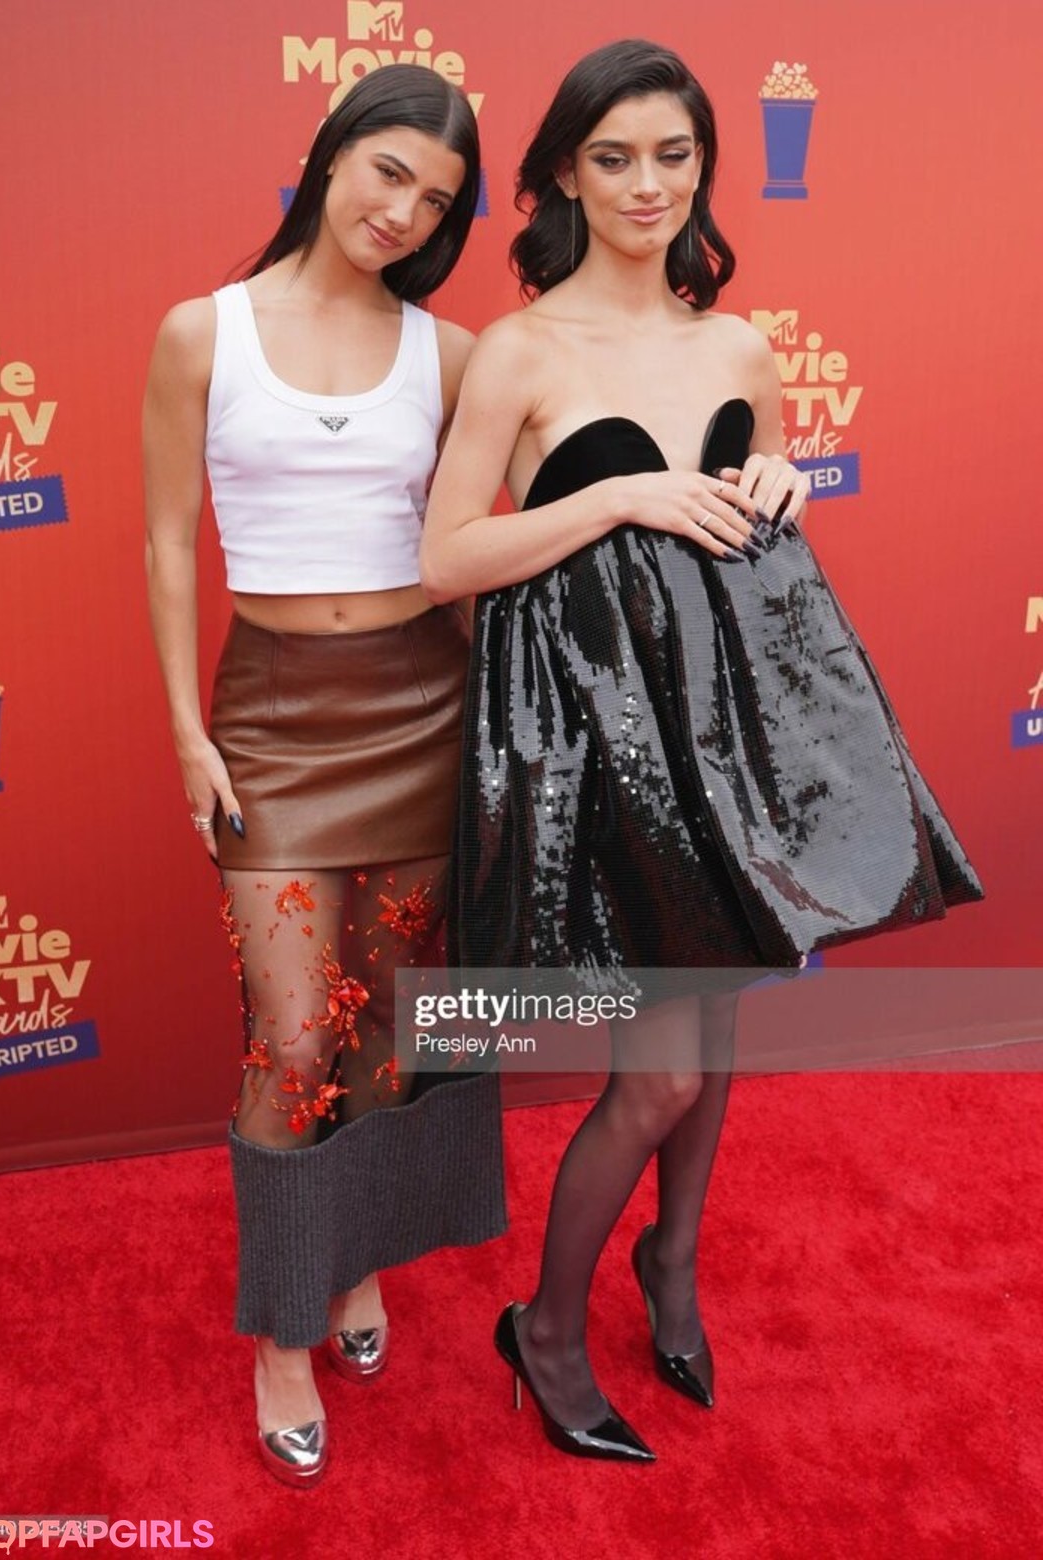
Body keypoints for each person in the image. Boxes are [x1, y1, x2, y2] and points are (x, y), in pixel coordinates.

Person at [420, 39, 982, 1463]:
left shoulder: (736, 346)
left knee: (716, 1029)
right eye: (613, 157)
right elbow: (449, 558)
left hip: (733, 730)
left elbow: (753, 537)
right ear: (562, 173)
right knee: (662, 1073)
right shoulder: (520, 350)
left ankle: (670, 1265)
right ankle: (546, 1328)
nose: (647, 184)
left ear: (704, 167)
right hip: (605, 738)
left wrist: (781, 480)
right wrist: (623, 499)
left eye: (673, 155)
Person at [143, 64, 505, 1487]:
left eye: (438, 200)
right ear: (332, 153)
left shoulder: (452, 353)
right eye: (390, 171)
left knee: (384, 1024)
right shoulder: (204, 332)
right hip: (273, 719)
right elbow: (169, 540)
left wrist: (755, 463)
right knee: (291, 1037)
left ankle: (356, 1265)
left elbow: (511, 515)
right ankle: (286, 1333)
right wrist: (189, 730)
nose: (405, 212)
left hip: (424, 708)